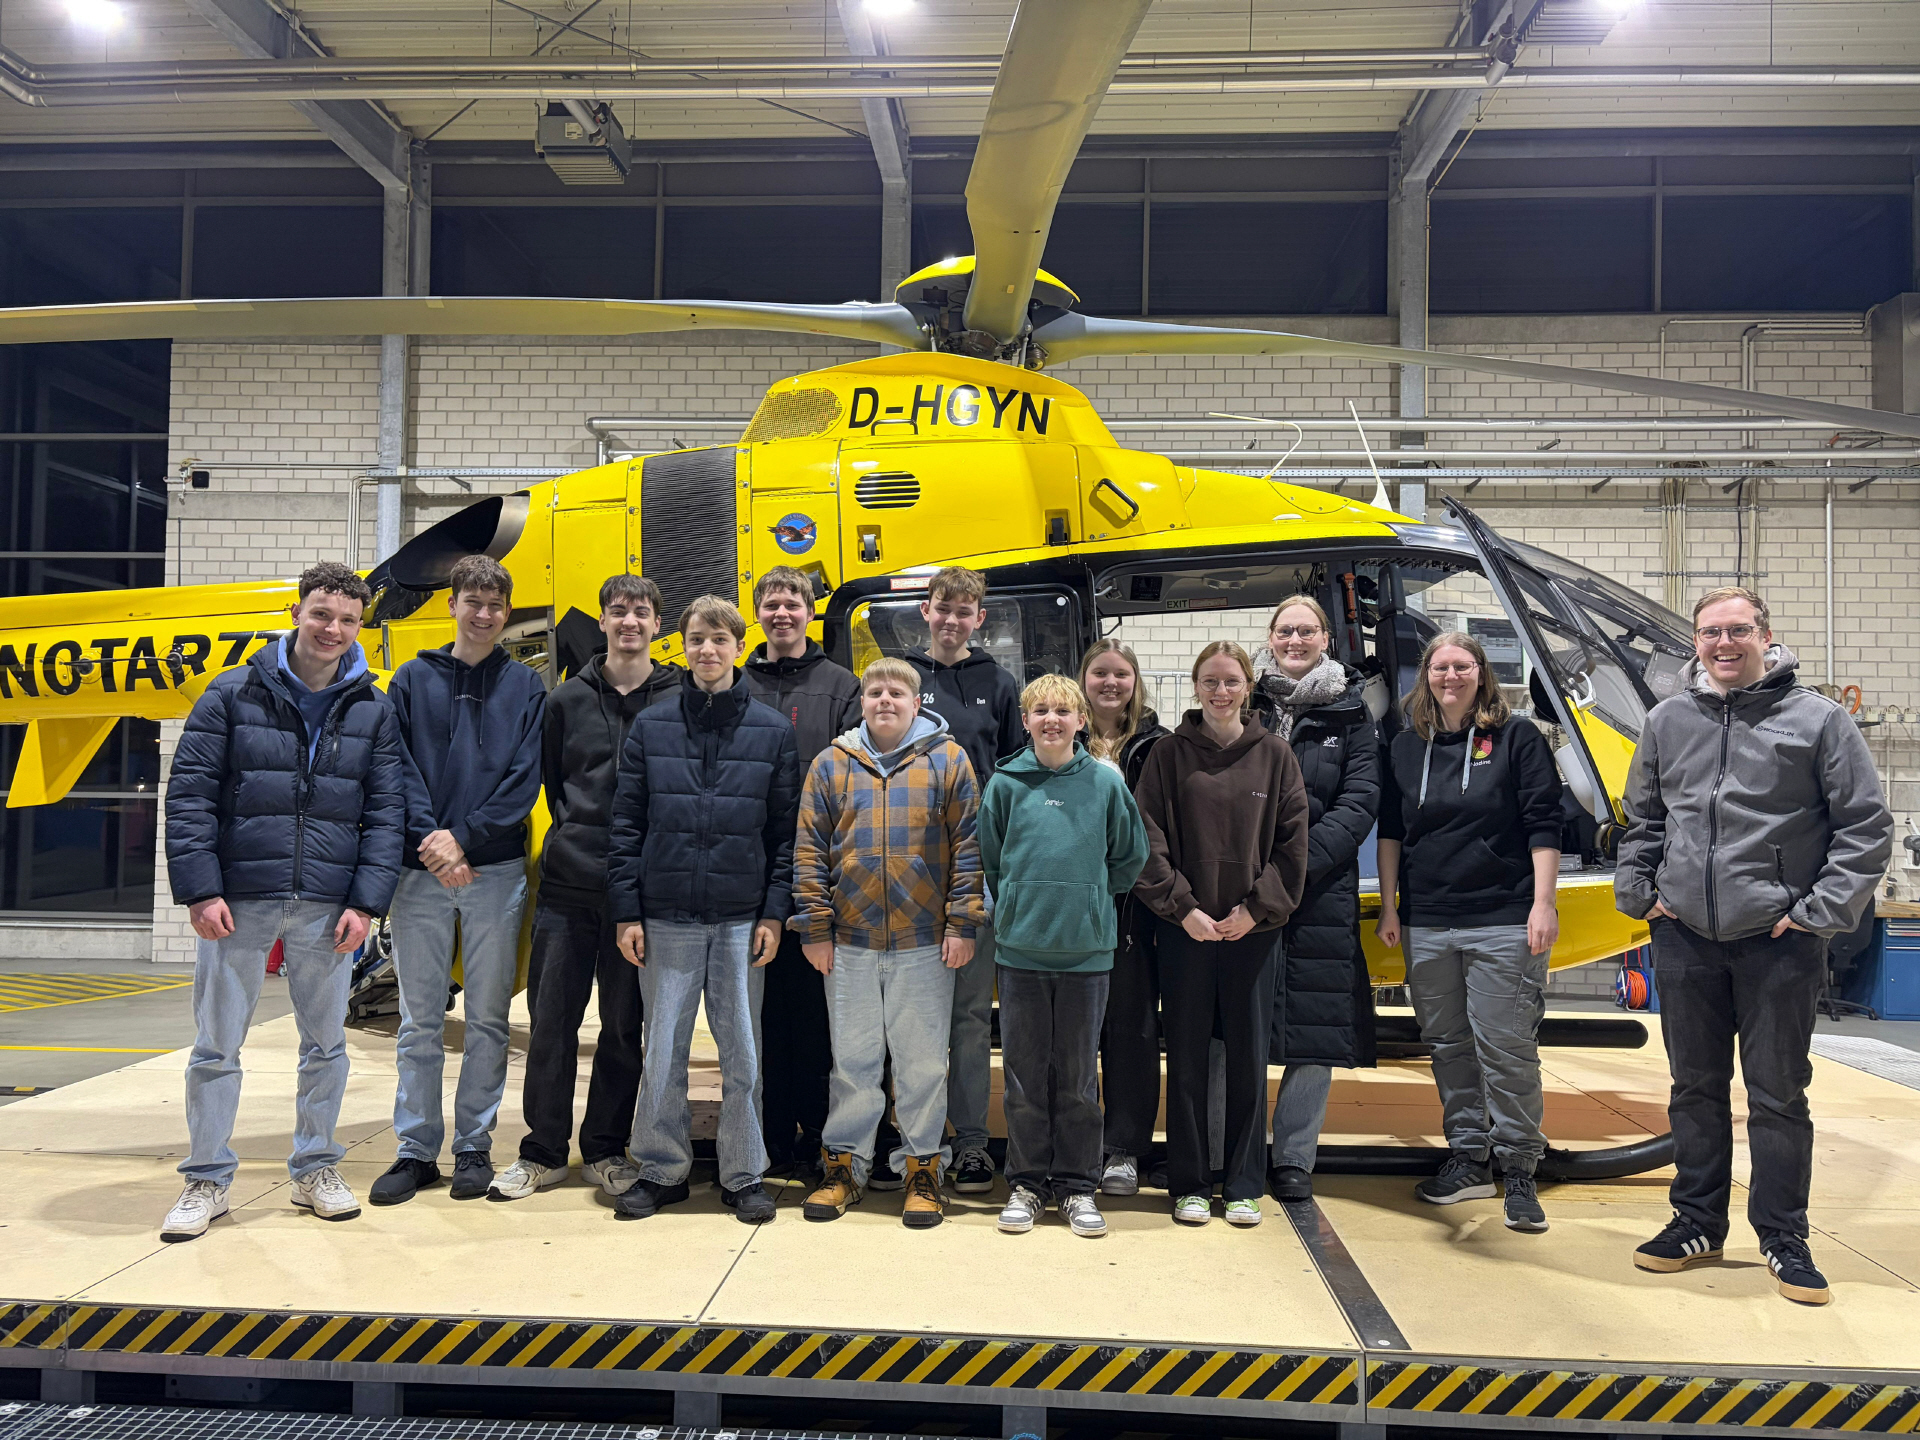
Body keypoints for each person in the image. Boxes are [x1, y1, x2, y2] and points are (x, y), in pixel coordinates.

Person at [1616, 587, 1890, 1305]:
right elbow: (1642, 819)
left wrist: (1816, 913)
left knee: (1777, 1095)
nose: (1724, 643)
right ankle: (1696, 1223)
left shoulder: (1818, 720)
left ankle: (1783, 1236)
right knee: (1694, 1090)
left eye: (1738, 630)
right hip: (1685, 936)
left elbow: (1865, 829)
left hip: (1779, 942)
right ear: (1696, 643)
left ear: (1766, 636)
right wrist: (1642, 895)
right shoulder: (1668, 720)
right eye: (1711, 632)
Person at [160, 561, 406, 1241]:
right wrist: (201, 889)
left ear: (360, 627)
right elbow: (190, 797)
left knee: (326, 1046)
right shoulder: (231, 693)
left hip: (329, 906)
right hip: (240, 900)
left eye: (348, 620)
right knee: (216, 1047)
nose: (333, 629)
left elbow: (386, 813)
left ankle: (315, 1169)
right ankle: (206, 1179)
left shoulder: (373, 707)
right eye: (322, 614)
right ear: (297, 613)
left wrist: (367, 902)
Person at [607, 594, 801, 1224]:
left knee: (743, 1053)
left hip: (742, 918)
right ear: (683, 646)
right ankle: (661, 1169)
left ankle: (743, 1173)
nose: (707, 650)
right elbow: (626, 824)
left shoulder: (772, 730)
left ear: (740, 647)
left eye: (720, 639)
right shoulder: (652, 726)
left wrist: (773, 913)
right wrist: (627, 912)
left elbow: (785, 833)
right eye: (696, 639)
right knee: (661, 1051)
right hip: (665, 916)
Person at [491, 573, 684, 1202]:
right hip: (569, 888)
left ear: (657, 624)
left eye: (642, 611)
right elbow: (555, 785)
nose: (630, 621)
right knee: (552, 1022)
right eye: (618, 610)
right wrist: (577, 839)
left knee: (624, 1027)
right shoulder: (565, 700)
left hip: (642, 896)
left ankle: (604, 1147)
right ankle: (543, 1151)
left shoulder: (679, 697)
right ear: (602, 621)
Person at [373, 556, 547, 1206]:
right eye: (473, 601)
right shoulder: (410, 679)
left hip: (494, 869)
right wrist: (436, 842)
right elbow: (395, 767)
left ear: (507, 612)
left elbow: (524, 780)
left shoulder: (526, 686)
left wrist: (465, 838)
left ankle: (474, 1146)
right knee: (419, 1020)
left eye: (495, 604)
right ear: (452, 605)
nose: (483, 614)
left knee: (489, 1018)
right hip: (420, 869)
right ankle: (416, 1150)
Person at [1375, 631, 1563, 1234]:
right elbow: (1391, 831)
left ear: (1481, 673)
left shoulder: (1517, 739)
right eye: (1440, 666)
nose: (1450, 676)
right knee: (1448, 1045)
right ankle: (1468, 1157)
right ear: (1425, 675)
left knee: (1505, 1048)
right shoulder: (1406, 746)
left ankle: (1520, 1168)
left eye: (1462, 666)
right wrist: (1391, 907)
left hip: (1503, 918)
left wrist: (1543, 905)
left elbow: (1544, 823)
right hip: (1428, 920)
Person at [791, 658, 986, 1228]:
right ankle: (845, 1168)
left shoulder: (948, 760)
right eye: (875, 691)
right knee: (852, 1064)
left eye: (896, 692)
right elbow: (809, 850)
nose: (884, 700)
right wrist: (816, 928)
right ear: (862, 702)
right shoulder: (831, 764)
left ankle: (923, 1170)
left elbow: (969, 848)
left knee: (922, 1065)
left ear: (916, 702)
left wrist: (962, 924)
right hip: (849, 942)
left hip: (925, 943)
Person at [1133, 641, 1309, 1228]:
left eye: (1231, 680)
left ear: (1248, 686)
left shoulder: (1276, 755)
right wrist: (1182, 909)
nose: (1220, 691)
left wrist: (1254, 911)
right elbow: (1146, 839)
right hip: (1185, 931)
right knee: (1185, 1058)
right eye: (1210, 680)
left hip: (1251, 934)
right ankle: (1188, 1183)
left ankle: (1242, 1185)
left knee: (1247, 1061)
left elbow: (1292, 845)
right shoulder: (1167, 754)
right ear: (1196, 685)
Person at [981, 674, 1149, 1238]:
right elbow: (992, 861)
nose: (1051, 719)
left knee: (1077, 1079)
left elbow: (1129, 856)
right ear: (1025, 721)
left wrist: (1090, 899)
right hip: (1020, 953)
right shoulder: (1005, 784)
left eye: (1062, 711)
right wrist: (1019, 905)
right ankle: (1027, 1184)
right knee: (1024, 1077)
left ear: (1081, 720)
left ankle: (1077, 1185)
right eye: (1040, 711)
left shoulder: (1104, 783)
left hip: (1086, 954)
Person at [1252, 596, 1381, 1202]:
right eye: (1285, 631)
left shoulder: (1352, 713)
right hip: (1245, 887)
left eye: (1306, 630)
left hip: (1319, 890)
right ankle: (1233, 1150)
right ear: (1270, 638)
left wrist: (1294, 867)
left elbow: (1359, 801)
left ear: (1326, 638)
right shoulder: (1246, 702)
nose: (1295, 640)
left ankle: (1294, 1157)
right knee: (1235, 1023)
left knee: (1316, 1024)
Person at [905, 565, 1024, 1196]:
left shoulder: (998, 684)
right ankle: (912, 1140)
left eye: (964, 610)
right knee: (909, 1017)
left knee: (971, 1016)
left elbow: (1013, 775)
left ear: (979, 618)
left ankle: (972, 1142)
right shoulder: (901, 678)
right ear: (925, 611)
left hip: (976, 870)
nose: (952, 619)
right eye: (942, 607)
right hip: (909, 873)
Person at [741, 565, 862, 1178]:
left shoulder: (843, 686)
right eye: (771, 603)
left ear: (810, 612)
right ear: (757, 613)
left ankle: (819, 1136)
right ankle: (765, 1138)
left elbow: (852, 781)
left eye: (793, 603)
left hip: (820, 873)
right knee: (761, 1016)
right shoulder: (735, 682)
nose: (782, 613)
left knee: (816, 1016)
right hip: (749, 873)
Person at [1078, 639, 1171, 1196]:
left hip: (1136, 906)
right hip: (1073, 904)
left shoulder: (1158, 745)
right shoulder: (1060, 736)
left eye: (1121, 674)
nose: (1110, 683)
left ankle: (1123, 1149)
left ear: (1135, 682)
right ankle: (1075, 1142)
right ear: (1083, 679)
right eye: (1100, 673)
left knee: (1132, 1030)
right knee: (1072, 1033)